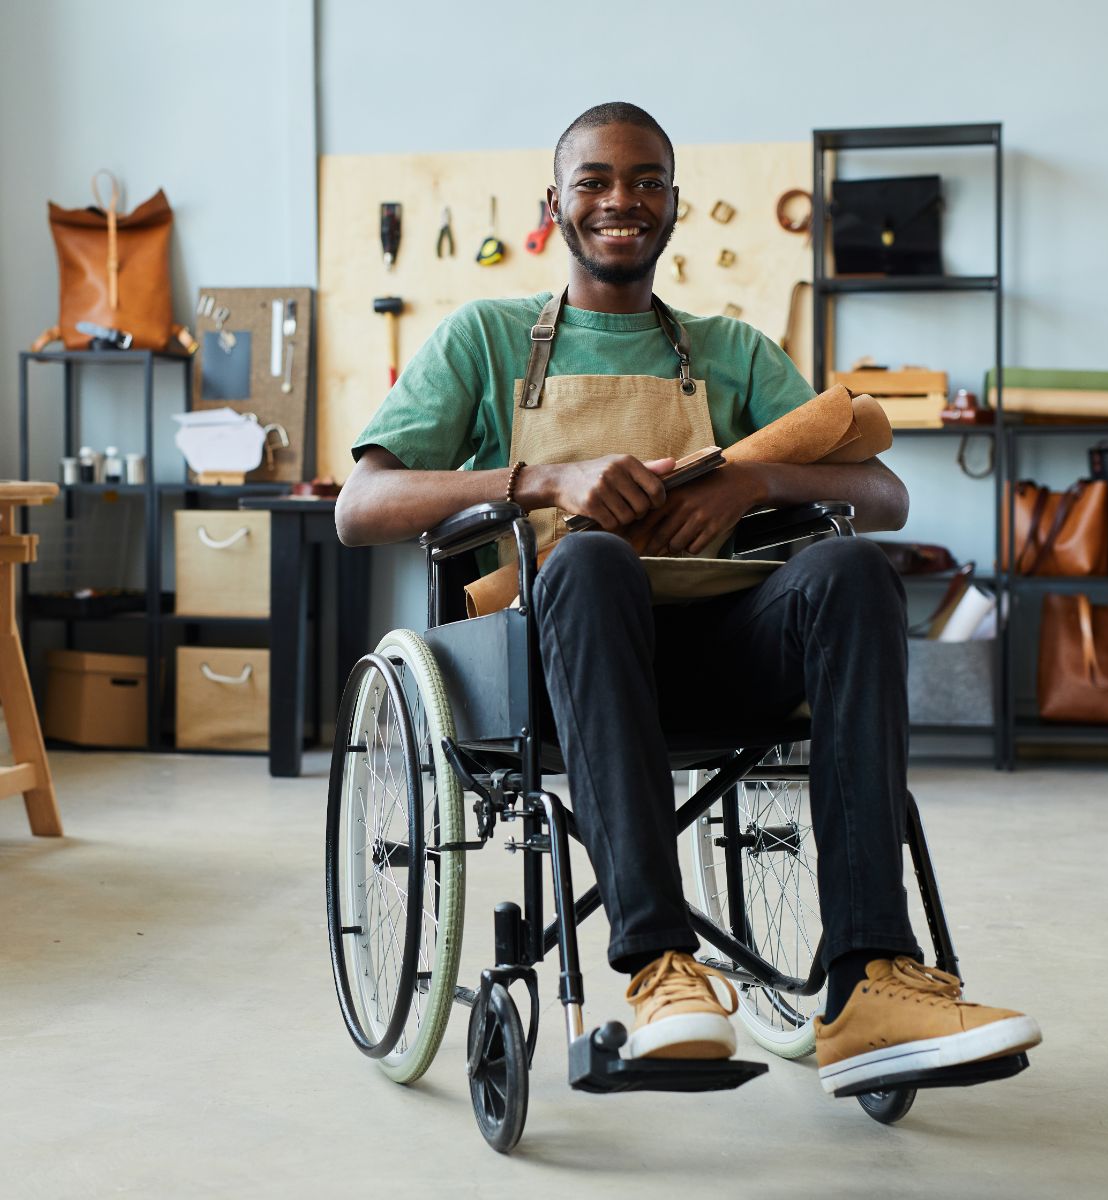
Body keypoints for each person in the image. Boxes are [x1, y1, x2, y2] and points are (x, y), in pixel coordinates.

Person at [336, 102, 1041, 1095]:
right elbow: (361, 506)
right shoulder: (486, 340)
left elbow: (882, 495)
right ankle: (662, 968)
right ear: (555, 205)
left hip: (717, 660)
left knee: (848, 569)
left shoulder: (731, 352)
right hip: (556, 662)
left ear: (673, 204)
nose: (621, 200)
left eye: (646, 182)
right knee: (587, 560)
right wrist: (544, 480)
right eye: (594, 181)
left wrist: (750, 481)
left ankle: (869, 979)